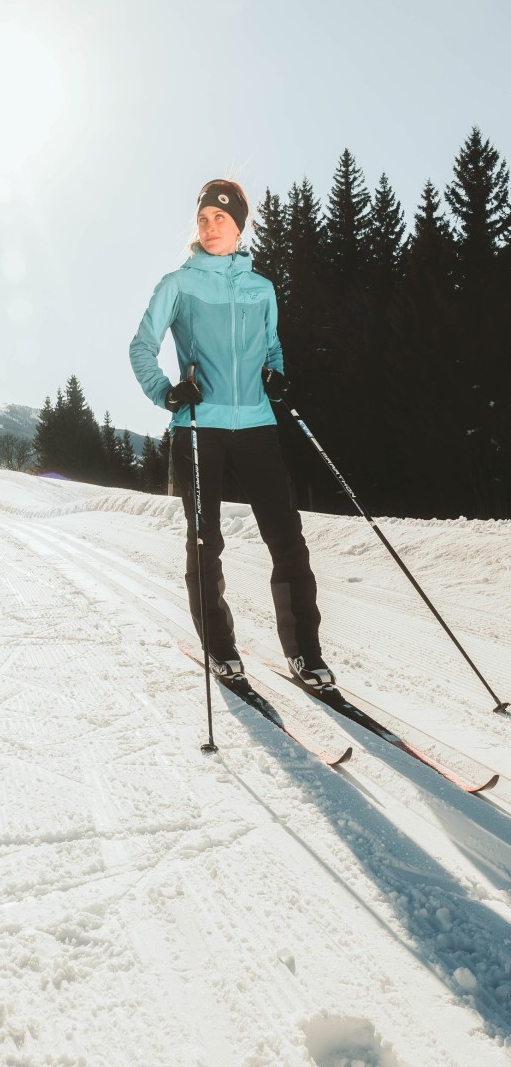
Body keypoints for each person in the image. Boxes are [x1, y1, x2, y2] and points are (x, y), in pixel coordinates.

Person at [129, 179, 334, 688]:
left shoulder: (260, 288)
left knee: (288, 541)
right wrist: (167, 392)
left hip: (258, 426)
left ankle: (305, 655)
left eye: (221, 217)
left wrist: (276, 375)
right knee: (206, 542)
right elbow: (140, 347)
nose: (209, 225)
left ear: (240, 226)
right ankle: (220, 649)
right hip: (200, 428)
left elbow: (273, 349)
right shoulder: (178, 283)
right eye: (203, 218)